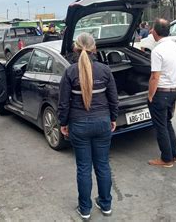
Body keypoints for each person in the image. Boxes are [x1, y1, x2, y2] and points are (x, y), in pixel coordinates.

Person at [58, 33, 118, 220]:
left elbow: (64, 103)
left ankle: (85, 209)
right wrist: (113, 119)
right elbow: (113, 99)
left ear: (75, 49)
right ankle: (106, 204)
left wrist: (63, 123)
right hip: (102, 122)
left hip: (78, 124)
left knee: (83, 167)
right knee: (102, 165)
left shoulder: (69, 72)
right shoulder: (105, 70)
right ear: (95, 49)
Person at [147, 19, 176, 167]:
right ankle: (175, 155)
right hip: (173, 91)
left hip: (160, 93)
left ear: (155, 32)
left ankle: (166, 159)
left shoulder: (157, 51)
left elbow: (155, 77)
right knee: (167, 123)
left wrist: (150, 95)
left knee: (160, 126)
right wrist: (175, 84)